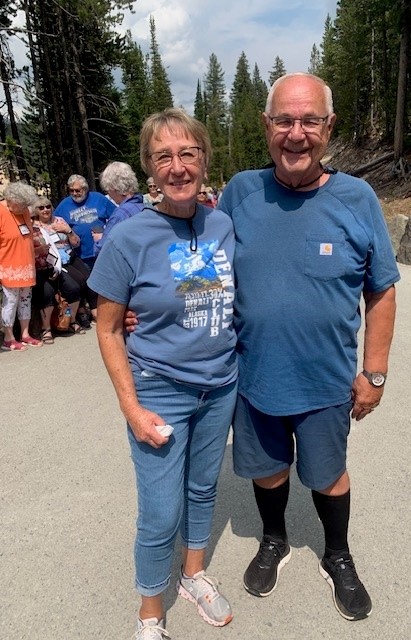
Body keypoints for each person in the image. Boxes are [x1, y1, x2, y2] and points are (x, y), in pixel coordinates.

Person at [218, 73, 400, 622]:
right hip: (254, 377)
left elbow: (381, 289)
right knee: (267, 470)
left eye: (309, 121)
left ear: (329, 126)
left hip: (326, 381)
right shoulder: (240, 192)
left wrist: (374, 373)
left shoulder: (357, 198)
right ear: (266, 125)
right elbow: (204, 268)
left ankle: (337, 553)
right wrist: (148, 305)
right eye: (284, 120)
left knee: (327, 474)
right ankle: (273, 538)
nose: (296, 134)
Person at [88, 108, 237, 640]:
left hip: (220, 384)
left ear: (204, 160)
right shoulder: (129, 237)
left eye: (187, 153)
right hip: (159, 389)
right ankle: (150, 611)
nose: (177, 167)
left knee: (202, 487)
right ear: (149, 169)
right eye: (163, 156)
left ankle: (192, 574)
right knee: (160, 508)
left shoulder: (222, 224)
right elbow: (108, 328)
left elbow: (210, 297)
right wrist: (131, 408)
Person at [54, 174, 115, 324]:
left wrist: (106, 233)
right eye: (71, 190)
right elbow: (53, 223)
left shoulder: (98, 198)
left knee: (105, 282)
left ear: (85, 189)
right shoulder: (64, 205)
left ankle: (106, 311)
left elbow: (116, 217)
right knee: (85, 284)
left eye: (78, 190)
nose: (75, 193)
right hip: (80, 253)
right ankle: (83, 313)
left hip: (101, 251)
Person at [33, 196, 93, 335]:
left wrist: (68, 230)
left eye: (48, 206)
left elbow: (76, 242)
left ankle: (71, 318)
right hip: (48, 263)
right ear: (36, 211)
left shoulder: (59, 220)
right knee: (59, 290)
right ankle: (48, 327)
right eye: (41, 208)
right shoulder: (34, 226)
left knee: (80, 283)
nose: (45, 210)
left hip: (68, 257)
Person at [0, 182, 43, 351]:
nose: (25, 208)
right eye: (22, 205)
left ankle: (25, 334)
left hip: (26, 264)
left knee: (25, 300)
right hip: (8, 266)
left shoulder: (23, 211)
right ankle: (8, 337)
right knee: (10, 302)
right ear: (12, 200)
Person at [93, 161, 144, 255]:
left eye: (108, 190)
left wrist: (99, 239)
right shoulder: (145, 207)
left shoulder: (120, 215)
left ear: (114, 188)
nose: (109, 194)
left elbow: (102, 249)